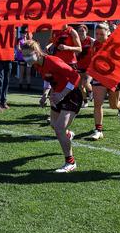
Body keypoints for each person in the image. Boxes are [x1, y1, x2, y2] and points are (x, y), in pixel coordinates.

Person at [22, 39, 82, 173]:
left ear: (37, 52)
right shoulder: (37, 64)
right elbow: (49, 80)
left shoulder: (52, 61)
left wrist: (62, 94)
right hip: (57, 95)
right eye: (24, 55)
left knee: (59, 129)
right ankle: (68, 135)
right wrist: (45, 95)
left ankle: (70, 162)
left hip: (71, 95)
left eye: (28, 54)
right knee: (55, 126)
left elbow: (76, 77)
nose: (26, 58)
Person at [87, 22, 120, 141]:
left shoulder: (115, 43)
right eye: (97, 33)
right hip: (99, 76)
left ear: (108, 33)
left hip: (114, 77)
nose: (98, 36)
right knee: (97, 104)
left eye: (101, 34)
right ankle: (98, 130)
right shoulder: (94, 44)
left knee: (113, 105)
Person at [75, 24, 94, 107]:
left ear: (86, 31)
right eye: (79, 31)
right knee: (80, 86)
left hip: (89, 67)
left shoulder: (91, 40)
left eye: (83, 31)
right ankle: (85, 101)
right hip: (79, 66)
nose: (81, 32)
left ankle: (91, 92)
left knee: (86, 83)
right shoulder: (76, 41)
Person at [15, 26, 32, 91]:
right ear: (21, 33)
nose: (24, 34)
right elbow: (18, 49)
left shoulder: (30, 40)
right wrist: (26, 50)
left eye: (25, 33)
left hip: (29, 58)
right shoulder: (19, 40)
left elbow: (32, 49)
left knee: (28, 73)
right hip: (21, 58)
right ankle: (20, 86)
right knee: (21, 73)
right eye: (23, 33)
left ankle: (28, 86)